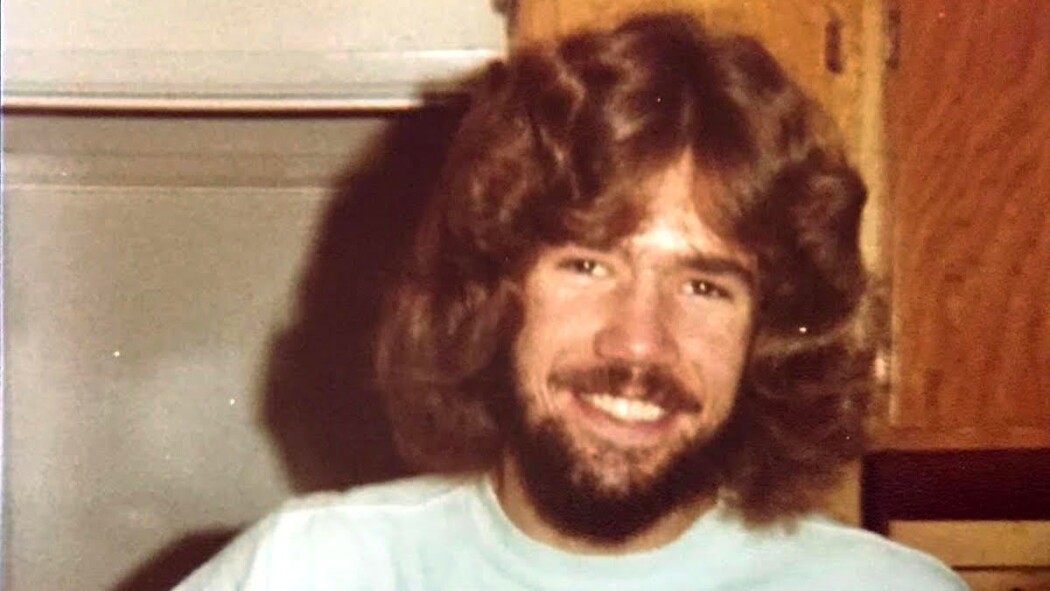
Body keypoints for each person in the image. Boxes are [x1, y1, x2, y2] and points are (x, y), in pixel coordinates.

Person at [178, 12, 967, 590]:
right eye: (589, 265)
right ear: (495, 293)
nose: (639, 342)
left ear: (770, 334)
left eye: (703, 285)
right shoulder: (312, 569)